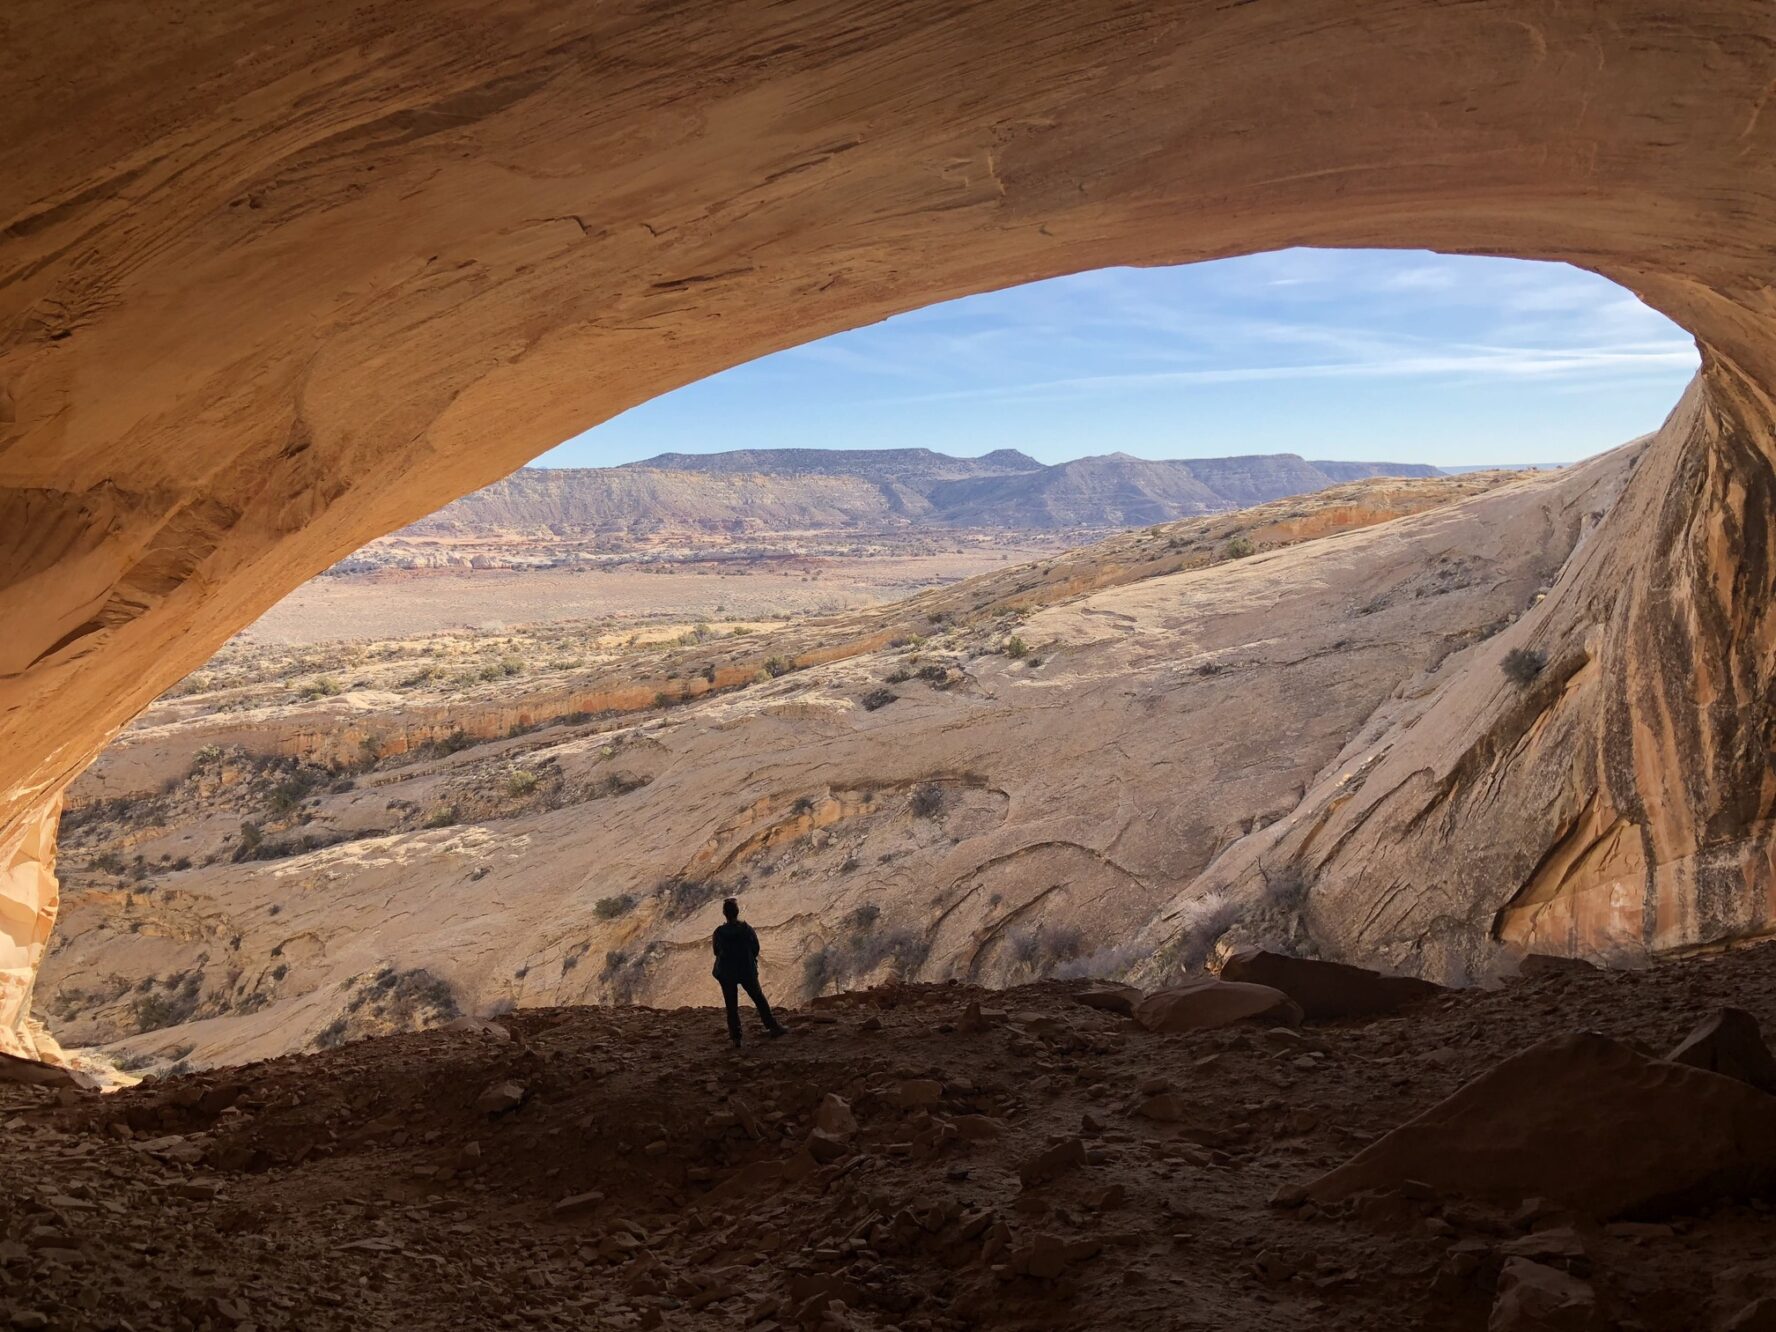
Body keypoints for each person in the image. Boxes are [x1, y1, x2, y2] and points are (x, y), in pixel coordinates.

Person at [711, 897, 786, 1047]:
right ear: (737, 912)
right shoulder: (746, 929)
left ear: (724, 913)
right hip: (747, 970)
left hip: (726, 972)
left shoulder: (719, 932)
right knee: (759, 998)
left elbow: (716, 951)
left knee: (731, 1006)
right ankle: (773, 1027)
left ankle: (736, 1038)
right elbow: (755, 948)